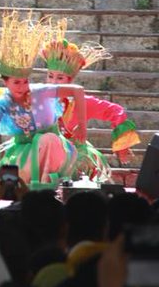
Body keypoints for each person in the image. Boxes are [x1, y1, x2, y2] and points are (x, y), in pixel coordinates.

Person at [0, 11, 86, 187]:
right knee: (17, 173)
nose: (22, 86)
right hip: (23, 151)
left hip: (53, 148)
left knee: (46, 140)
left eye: (25, 81)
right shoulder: (3, 102)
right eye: (16, 82)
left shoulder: (40, 91)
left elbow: (78, 91)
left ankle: (46, 186)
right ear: (6, 82)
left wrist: (82, 126)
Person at [41, 20, 136, 178]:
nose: (53, 82)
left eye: (60, 78)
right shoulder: (40, 97)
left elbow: (116, 111)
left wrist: (122, 143)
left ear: (70, 81)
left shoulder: (82, 102)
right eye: (50, 76)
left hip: (73, 156)